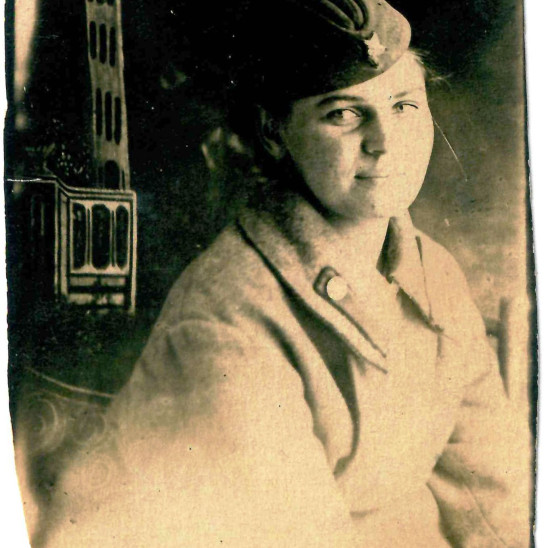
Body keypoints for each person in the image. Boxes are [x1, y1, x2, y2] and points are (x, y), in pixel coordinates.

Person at [40, 1, 531, 546]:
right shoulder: (228, 320)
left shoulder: (433, 272)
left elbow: (496, 497)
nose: (385, 141)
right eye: (343, 114)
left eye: (403, 105)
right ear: (274, 133)